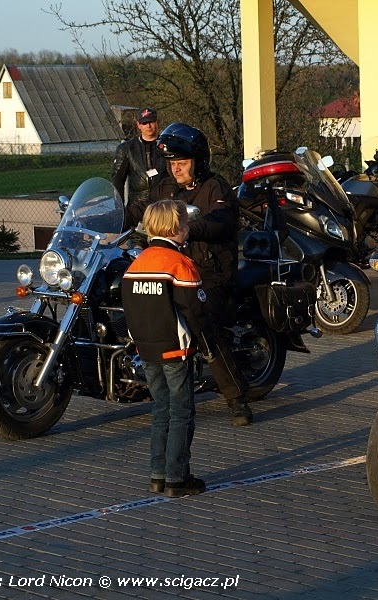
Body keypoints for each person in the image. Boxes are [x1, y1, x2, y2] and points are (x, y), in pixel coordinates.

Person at [125, 122, 253, 427]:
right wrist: (107, 217)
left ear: (198, 161)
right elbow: (141, 207)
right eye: (172, 163)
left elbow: (221, 219)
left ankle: (237, 399)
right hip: (171, 270)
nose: (176, 168)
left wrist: (185, 229)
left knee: (203, 324)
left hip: (210, 274)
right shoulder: (165, 187)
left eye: (182, 162)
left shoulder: (216, 188)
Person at [121, 199, 212, 497]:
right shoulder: (179, 264)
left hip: (146, 350)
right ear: (174, 229)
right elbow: (195, 310)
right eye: (185, 224)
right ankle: (177, 477)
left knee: (161, 409)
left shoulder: (135, 265)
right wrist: (207, 342)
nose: (188, 229)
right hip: (176, 349)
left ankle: (157, 475)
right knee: (181, 411)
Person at [112, 107, 167, 204]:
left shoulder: (168, 145)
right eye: (144, 123)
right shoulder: (126, 149)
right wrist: (119, 208)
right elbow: (117, 181)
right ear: (138, 125)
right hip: (137, 204)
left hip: (164, 204)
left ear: (157, 122)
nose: (148, 126)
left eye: (151, 122)